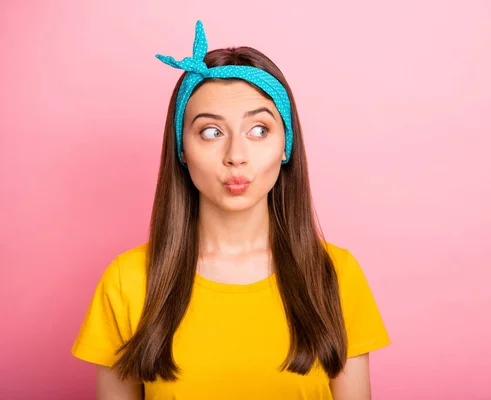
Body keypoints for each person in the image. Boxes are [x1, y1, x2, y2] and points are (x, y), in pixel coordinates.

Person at [71, 20, 390, 400]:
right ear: (182, 151)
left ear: (286, 146)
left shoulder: (335, 276)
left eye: (259, 130)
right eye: (211, 132)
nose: (236, 156)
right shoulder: (126, 282)